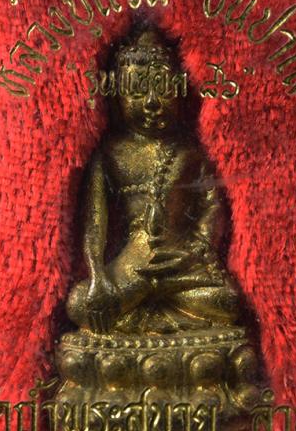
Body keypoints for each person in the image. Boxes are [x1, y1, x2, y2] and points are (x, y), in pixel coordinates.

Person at [66, 26, 242, 336]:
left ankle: (147, 318)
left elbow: (211, 207)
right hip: (132, 266)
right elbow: (95, 223)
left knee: (228, 301)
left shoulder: (189, 152)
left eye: (161, 89)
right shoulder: (110, 153)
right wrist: (97, 277)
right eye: (137, 90)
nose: (151, 102)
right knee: (79, 303)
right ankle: (161, 319)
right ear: (116, 94)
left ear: (178, 91)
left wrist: (195, 251)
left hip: (180, 268)